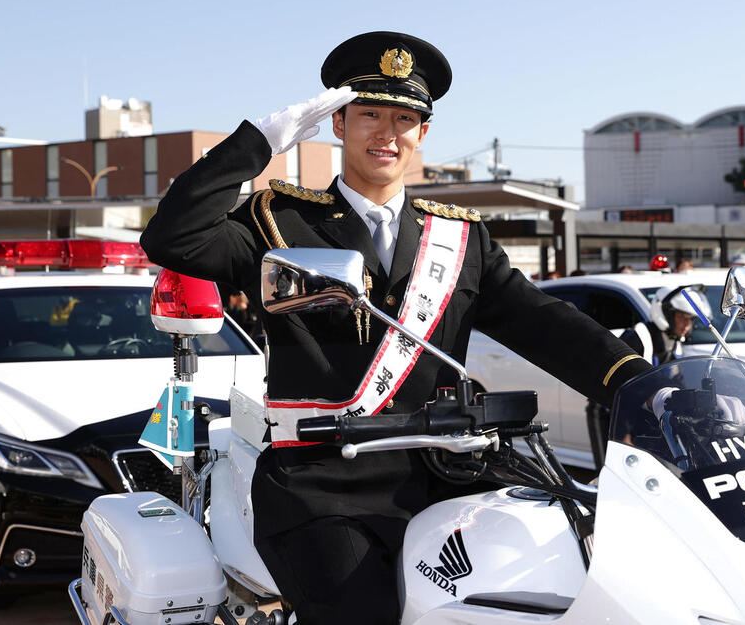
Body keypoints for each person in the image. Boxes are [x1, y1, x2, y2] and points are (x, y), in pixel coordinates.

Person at [140, 31, 651, 624]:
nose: (387, 132)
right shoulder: (277, 222)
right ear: (338, 124)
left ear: (423, 134)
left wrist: (644, 385)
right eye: (370, 114)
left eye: (405, 118)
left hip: (447, 475)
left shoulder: (459, 238)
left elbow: (546, 325)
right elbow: (172, 237)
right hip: (322, 486)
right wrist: (257, 143)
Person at [585, 284, 712, 467]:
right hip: (610, 413)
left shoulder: (674, 344)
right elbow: (621, 390)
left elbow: (677, 386)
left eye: (690, 319)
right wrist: (622, 434)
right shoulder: (638, 338)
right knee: (612, 473)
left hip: (642, 419)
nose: (687, 325)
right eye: (682, 317)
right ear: (666, 313)